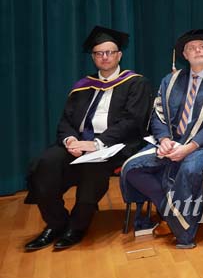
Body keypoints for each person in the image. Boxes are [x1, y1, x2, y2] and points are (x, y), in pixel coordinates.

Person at [24, 26, 152, 251]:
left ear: (119, 55)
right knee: (45, 163)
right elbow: (66, 120)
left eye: (109, 52)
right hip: (78, 142)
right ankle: (56, 223)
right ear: (93, 57)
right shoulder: (83, 86)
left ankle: (77, 226)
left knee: (94, 167)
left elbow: (132, 121)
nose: (105, 57)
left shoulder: (136, 83)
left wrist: (96, 144)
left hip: (114, 145)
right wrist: (70, 141)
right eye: (99, 53)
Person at [120, 29, 203, 249]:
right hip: (172, 141)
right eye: (192, 48)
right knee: (132, 168)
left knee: (189, 169)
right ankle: (171, 211)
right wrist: (164, 140)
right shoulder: (170, 80)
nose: (197, 50)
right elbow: (158, 113)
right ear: (184, 54)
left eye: (202, 47)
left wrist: (189, 147)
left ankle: (184, 234)